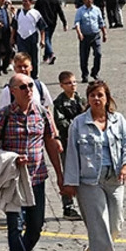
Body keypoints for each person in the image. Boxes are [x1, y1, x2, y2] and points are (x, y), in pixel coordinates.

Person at [0, 72, 64, 251]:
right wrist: (10, 157)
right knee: (14, 226)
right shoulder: (4, 115)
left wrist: (60, 175)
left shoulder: (43, 113)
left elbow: (49, 142)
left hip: (37, 178)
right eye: (23, 87)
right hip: (14, 179)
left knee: (36, 227)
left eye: (30, 85)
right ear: (12, 91)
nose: (28, 90)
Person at [61, 80, 126, 251]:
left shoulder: (118, 121)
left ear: (107, 98)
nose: (96, 99)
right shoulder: (79, 123)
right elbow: (72, 154)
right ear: (88, 99)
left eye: (100, 95)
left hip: (114, 179)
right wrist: (71, 183)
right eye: (93, 95)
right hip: (89, 182)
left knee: (115, 224)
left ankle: (93, 250)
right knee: (99, 226)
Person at [52, 71, 86, 220]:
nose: (72, 85)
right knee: (68, 173)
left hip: (82, 142)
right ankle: (68, 206)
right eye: (68, 83)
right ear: (61, 85)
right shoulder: (59, 102)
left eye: (74, 82)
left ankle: (85, 203)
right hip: (67, 142)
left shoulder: (80, 99)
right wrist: (75, 126)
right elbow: (60, 122)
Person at [74, 0, 107, 83]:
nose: (89, 0)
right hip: (85, 36)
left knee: (98, 54)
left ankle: (95, 72)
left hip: (96, 35)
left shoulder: (96, 10)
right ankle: (85, 74)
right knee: (84, 56)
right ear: (84, 0)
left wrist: (104, 33)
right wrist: (79, 33)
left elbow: (101, 22)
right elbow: (77, 23)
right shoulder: (80, 11)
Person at [33, 0, 67, 65]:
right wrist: (64, 23)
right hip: (52, 22)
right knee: (48, 38)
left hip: (43, 22)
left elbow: (34, 12)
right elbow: (60, 12)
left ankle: (51, 54)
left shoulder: (40, 0)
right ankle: (46, 56)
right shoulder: (55, 0)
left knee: (45, 39)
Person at [10, 0, 42, 75]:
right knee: (22, 57)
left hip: (32, 37)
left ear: (31, 2)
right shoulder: (18, 12)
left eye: (26, 1)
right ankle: (22, 73)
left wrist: (43, 39)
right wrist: (12, 37)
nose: (24, 3)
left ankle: (34, 74)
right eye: (23, 1)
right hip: (21, 38)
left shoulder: (35, 13)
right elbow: (14, 26)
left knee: (33, 57)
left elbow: (42, 28)